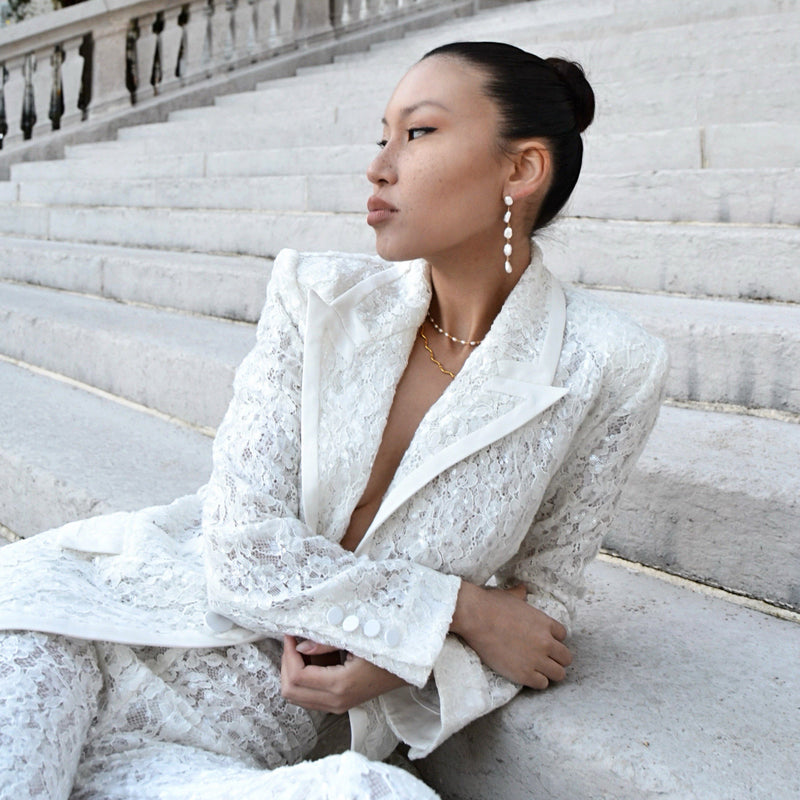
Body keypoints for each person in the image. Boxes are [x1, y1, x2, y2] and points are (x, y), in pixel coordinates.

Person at [0, 41, 667, 799]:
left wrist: (403, 662)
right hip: (81, 632)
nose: (379, 167)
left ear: (521, 169)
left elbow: (536, 614)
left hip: (217, 743)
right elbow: (242, 546)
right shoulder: (315, 295)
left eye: (418, 133)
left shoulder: (609, 364)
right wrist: (447, 610)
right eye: (383, 135)